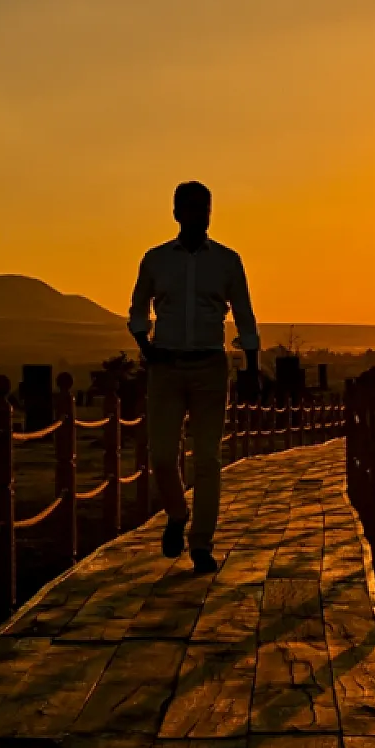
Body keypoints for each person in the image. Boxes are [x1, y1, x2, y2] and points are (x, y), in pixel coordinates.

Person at [128, 181, 259, 573]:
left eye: (205, 207)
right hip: (165, 366)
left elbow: (245, 314)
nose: (199, 214)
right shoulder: (155, 260)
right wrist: (144, 343)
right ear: (176, 212)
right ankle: (176, 514)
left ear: (210, 212)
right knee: (163, 456)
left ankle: (201, 543)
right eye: (191, 207)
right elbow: (137, 307)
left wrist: (251, 367)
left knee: (207, 458)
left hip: (209, 366)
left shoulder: (227, 261)